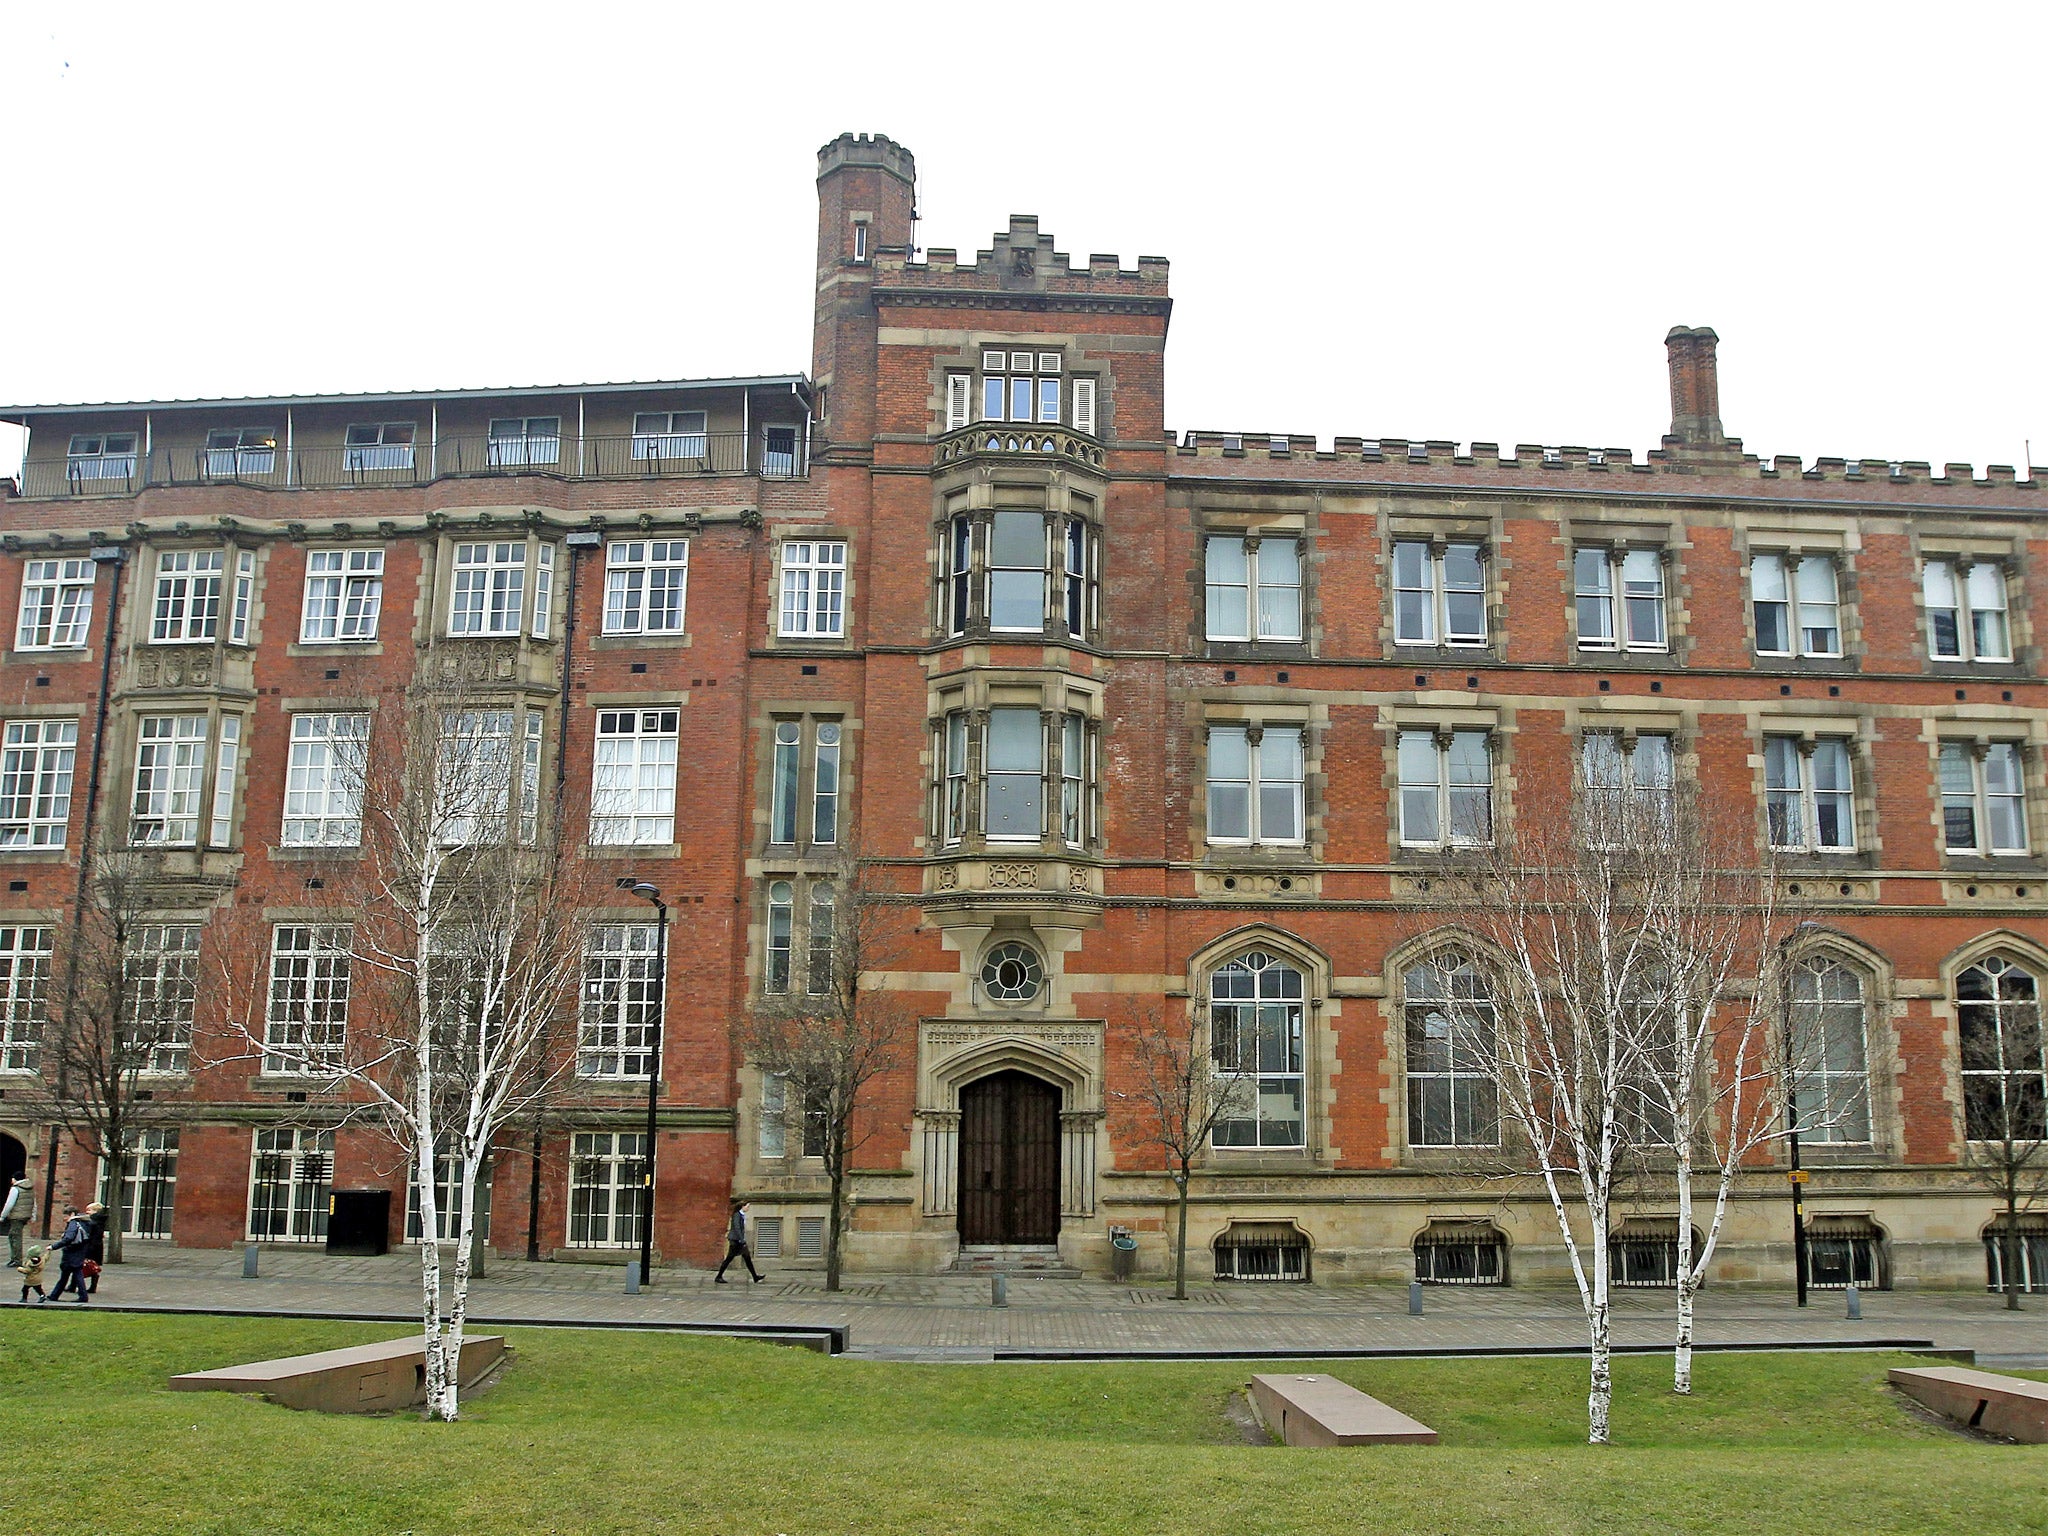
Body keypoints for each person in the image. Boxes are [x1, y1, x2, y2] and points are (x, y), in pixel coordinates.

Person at [47, 1206, 91, 1305]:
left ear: (72, 1214)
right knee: (72, 1275)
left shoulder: (73, 1224)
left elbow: (68, 1238)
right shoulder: (84, 1223)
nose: (64, 1218)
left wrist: (54, 1246)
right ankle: (56, 1295)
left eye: (66, 1215)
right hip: (80, 1252)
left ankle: (56, 1295)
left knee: (69, 1275)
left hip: (71, 1253)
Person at [713, 1198, 763, 1283]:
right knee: (729, 1259)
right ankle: (718, 1276)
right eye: (747, 1206)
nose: (748, 1208)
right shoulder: (737, 1215)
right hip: (735, 1240)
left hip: (738, 1240)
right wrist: (741, 1239)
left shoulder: (741, 1215)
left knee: (747, 1258)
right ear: (742, 1207)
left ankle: (755, 1276)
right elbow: (737, 1227)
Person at [0, 1175, 32, 1269]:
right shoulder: (30, 1188)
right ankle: (16, 1258)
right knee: (14, 1235)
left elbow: (9, 1204)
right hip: (25, 1215)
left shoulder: (16, 1189)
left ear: (15, 1179)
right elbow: (34, 1202)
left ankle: (16, 1260)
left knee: (15, 1237)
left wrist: (2, 1216)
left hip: (17, 1216)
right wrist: (32, 1215)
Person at [82, 1202, 106, 1295]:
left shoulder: (94, 1222)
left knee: (87, 1265)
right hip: (96, 1246)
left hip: (92, 1246)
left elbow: (93, 1234)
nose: (87, 1212)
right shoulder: (98, 1221)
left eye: (89, 1210)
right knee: (92, 1266)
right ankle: (92, 1286)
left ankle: (77, 1285)